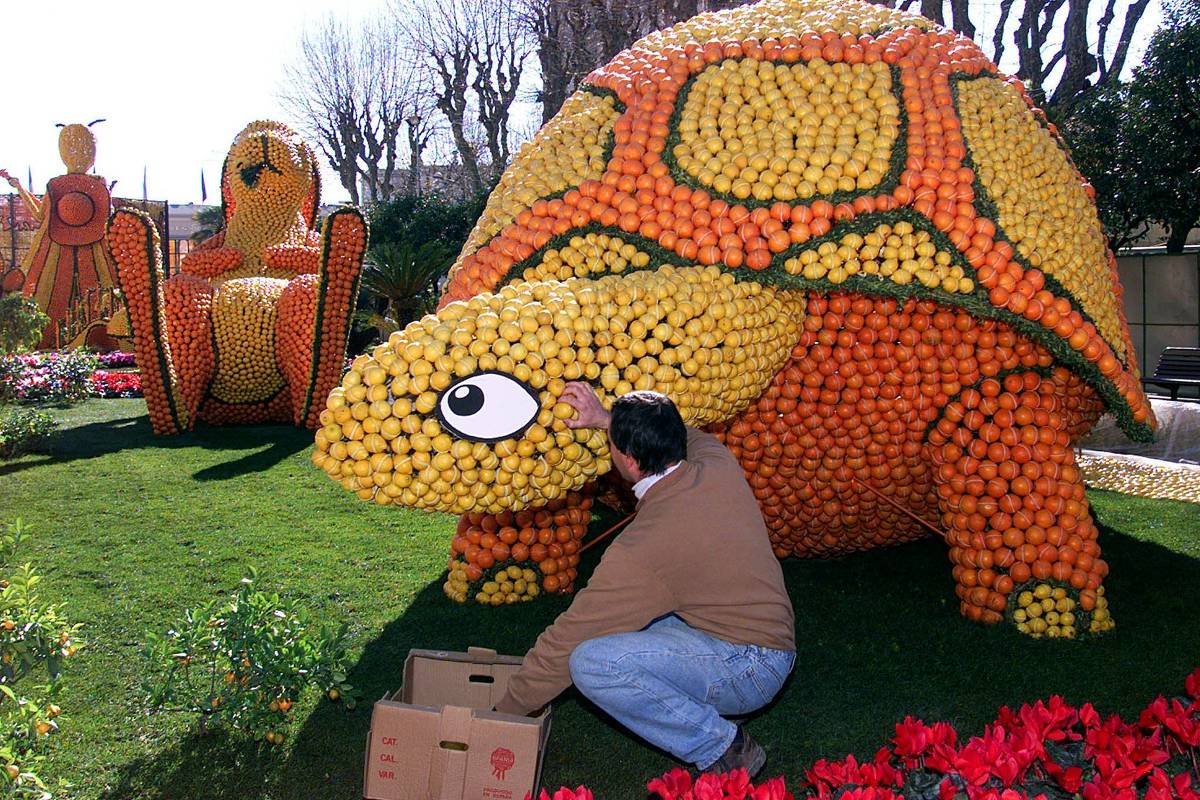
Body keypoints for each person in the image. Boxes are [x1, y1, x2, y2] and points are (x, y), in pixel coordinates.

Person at [494, 381, 796, 777]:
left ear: (629, 459)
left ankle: (723, 747)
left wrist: (503, 712)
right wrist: (607, 420)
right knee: (627, 626)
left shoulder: (645, 548)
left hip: (749, 667)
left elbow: (567, 638)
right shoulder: (716, 462)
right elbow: (683, 431)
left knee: (590, 661)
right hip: (756, 637)